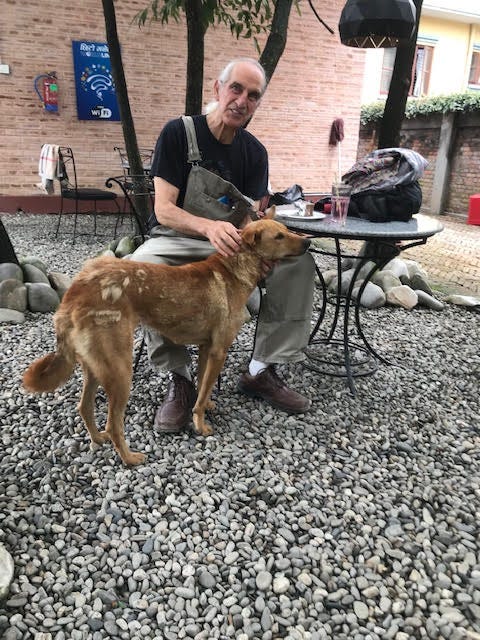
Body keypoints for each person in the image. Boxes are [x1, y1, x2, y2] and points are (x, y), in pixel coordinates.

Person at [131, 57, 316, 433]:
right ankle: (180, 379)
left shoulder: (255, 152)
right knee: (143, 267)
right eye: (236, 89)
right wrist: (208, 226)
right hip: (177, 238)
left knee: (298, 264)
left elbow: (250, 219)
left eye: (253, 95)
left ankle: (260, 370)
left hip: (231, 247)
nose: (242, 100)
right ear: (218, 88)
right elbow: (164, 209)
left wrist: (263, 249)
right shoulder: (179, 133)